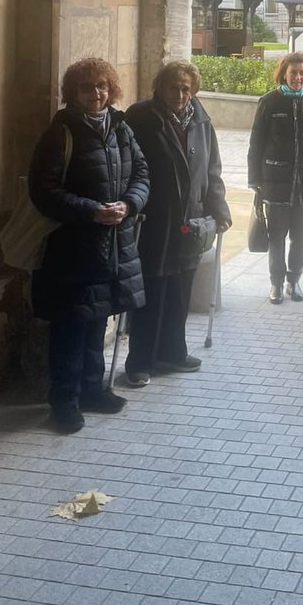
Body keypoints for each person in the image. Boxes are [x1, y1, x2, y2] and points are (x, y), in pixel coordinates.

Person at [28, 58, 149, 433]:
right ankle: (64, 401)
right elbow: (43, 191)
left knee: (99, 318)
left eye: (102, 86)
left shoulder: (121, 128)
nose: (97, 93)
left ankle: (93, 389)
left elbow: (143, 173)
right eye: (87, 88)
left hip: (114, 244)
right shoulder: (60, 133)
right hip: (73, 247)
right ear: (73, 93)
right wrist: (92, 211)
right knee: (70, 324)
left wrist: (129, 204)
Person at [124, 60, 231, 385]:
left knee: (181, 290)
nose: (180, 94)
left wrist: (219, 207)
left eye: (186, 88)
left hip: (190, 219)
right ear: (160, 87)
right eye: (174, 87)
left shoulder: (200, 119)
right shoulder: (141, 116)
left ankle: (172, 352)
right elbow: (127, 165)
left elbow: (212, 169)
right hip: (154, 220)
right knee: (152, 291)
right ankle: (140, 361)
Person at [247, 51, 303, 303]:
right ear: (284, 74)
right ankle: (276, 283)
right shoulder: (269, 101)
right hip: (275, 181)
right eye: (293, 73)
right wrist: (255, 179)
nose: (298, 77)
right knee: (277, 236)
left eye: (302, 73)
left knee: (300, 236)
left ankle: (294, 281)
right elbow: (256, 142)